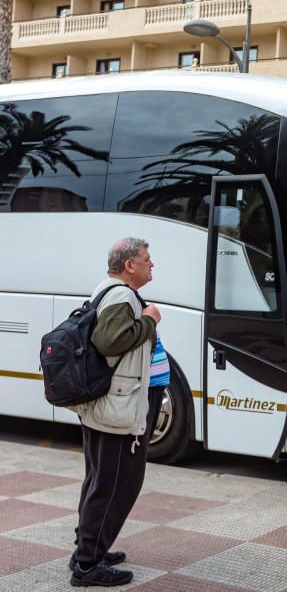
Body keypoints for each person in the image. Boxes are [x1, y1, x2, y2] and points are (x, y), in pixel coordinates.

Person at [70, 238, 161, 587]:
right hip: (117, 410)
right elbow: (111, 341)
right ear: (129, 265)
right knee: (116, 484)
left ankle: (89, 548)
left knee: (99, 481)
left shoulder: (107, 289)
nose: (152, 265)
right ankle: (87, 566)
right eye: (147, 259)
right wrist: (151, 320)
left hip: (109, 406)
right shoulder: (122, 295)